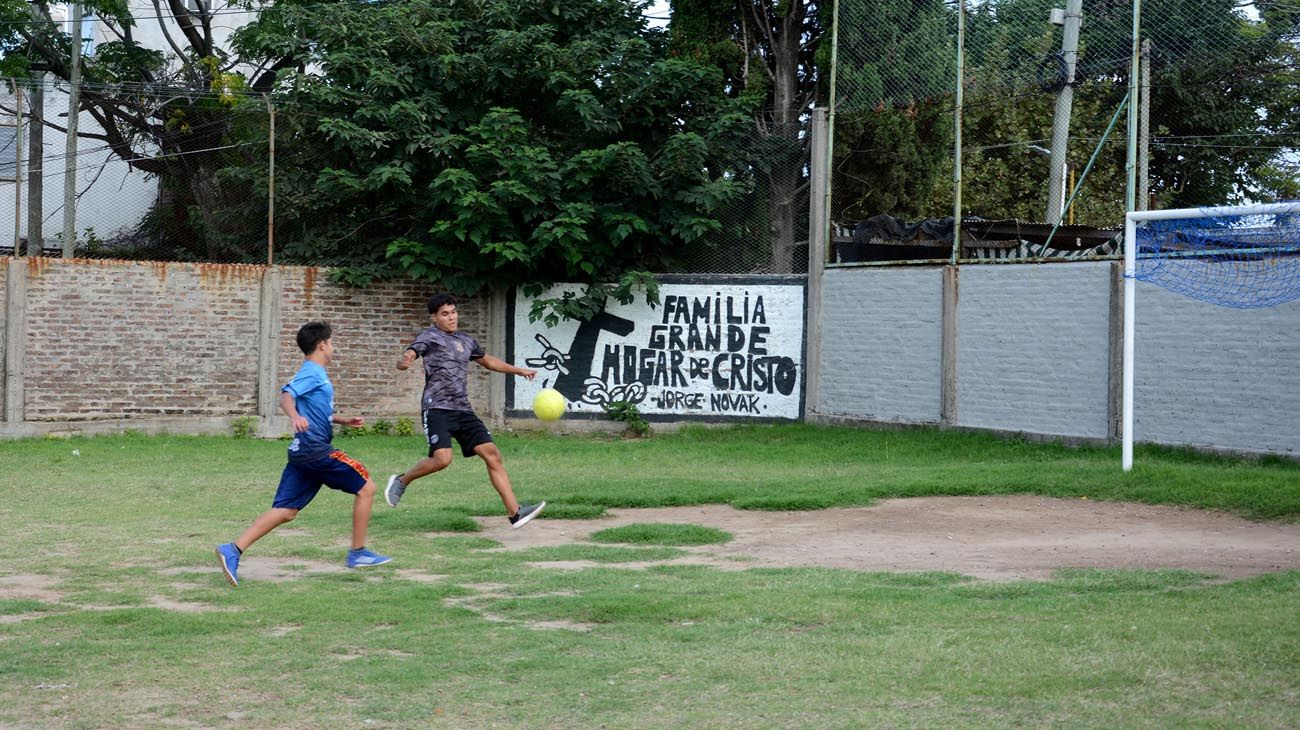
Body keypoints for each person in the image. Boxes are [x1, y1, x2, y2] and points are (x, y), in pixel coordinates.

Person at [216, 321, 391, 587]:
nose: (333, 347)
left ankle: (233, 549)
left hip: (301, 455)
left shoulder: (314, 374)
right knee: (367, 487)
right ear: (322, 344)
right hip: (316, 452)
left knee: (285, 511)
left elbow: (315, 410)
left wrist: (341, 420)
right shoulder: (313, 372)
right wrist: (295, 416)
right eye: (331, 342)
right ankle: (358, 553)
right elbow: (286, 396)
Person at [384, 293, 545, 527]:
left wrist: (518, 370)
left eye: (453, 312)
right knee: (442, 459)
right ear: (435, 318)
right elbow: (411, 352)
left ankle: (515, 513)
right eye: (445, 314)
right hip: (437, 408)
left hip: (463, 409)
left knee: (492, 454)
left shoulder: (466, 341)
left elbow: (488, 361)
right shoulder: (430, 336)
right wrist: (405, 360)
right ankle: (401, 480)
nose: (451, 317)